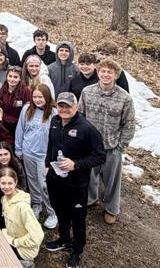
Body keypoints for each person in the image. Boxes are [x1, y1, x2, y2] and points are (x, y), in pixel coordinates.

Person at [44, 92, 106, 268]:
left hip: (76, 184)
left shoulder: (87, 129)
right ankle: (64, 239)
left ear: (76, 107)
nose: (63, 109)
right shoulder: (55, 121)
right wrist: (47, 164)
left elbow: (100, 156)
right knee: (61, 212)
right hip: (55, 180)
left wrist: (76, 164)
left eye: (68, 106)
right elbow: (51, 144)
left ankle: (77, 251)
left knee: (78, 219)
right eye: (61, 105)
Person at [79, 59, 135, 225]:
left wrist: (121, 146)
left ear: (116, 75)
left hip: (111, 148)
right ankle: (91, 199)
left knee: (112, 182)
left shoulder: (124, 98)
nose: (105, 74)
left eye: (110, 72)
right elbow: (80, 116)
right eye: (103, 71)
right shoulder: (87, 92)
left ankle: (111, 209)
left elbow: (129, 124)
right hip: (90, 147)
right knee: (89, 176)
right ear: (98, 73)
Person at [15, 84, 57, 228]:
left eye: (41, 97)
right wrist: (18, 149)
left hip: (44, 156)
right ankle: (36, 204)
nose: (37, 100)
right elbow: (20, 129)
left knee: (45, 184)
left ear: (47, 97)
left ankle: (52, 212)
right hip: (28, 152)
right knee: (32, 180)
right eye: (35, 97)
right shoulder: (27, 109)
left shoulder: (54, 113)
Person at [0, 167, 44, 268]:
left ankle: (27, 264)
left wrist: (15, 242)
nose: (6, 187)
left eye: (10, 183)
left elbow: (37, 236)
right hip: (10, 238)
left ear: (15, 182)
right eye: (3, 183)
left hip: (23, 250)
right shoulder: (4, 199)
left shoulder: (22, 207)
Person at [0, 66, 31, 137]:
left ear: (20, 79)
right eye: (10, 76)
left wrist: (16, 121)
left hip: (20, 127)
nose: (12, 79)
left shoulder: (26, 91)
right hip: (4, 127)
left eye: (15, 77)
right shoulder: (2, 90)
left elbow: (29, 111)